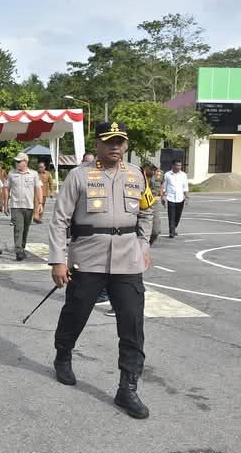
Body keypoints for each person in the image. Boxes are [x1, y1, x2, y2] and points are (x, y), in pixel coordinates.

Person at [48, 121, 153, 419]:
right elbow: (59, 220)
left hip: (128, 260)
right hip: (88, 258)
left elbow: (146, 212)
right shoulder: (79, 176)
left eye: (120, 141)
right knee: (76, 313)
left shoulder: (136, 175)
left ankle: (127, 387)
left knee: (132, 324)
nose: (116, 146)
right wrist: (58, 259)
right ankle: (63, 354)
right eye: (109, 141)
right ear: (97, 144)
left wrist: (144, 245)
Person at [3, 153, 43, 261]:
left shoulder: (33, 174)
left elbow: (38, 188)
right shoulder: (11, 173)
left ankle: (22, 248)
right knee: (18, 228)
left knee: (25, 229)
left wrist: (40, 204)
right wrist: (5, 204)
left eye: (19, 161)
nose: (16, 163)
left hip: (29, 206)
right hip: (15, 205)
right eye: (16, 161)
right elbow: (6, 188)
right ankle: (18, 251)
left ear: (25, 162)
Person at [161, 159, 189, 238]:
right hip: (171, 198)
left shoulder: (183, 175)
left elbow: (185, 187)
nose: (179, 167)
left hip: (180, 198)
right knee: (171, 215)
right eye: (177, 165)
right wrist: (162, 196)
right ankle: (171, 232)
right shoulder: (167, 174)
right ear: (173, 165)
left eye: (180, 165)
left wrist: (187, 197)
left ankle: (174, 227)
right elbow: (164, 186)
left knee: (178, 216)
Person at [143, 163, 163, 245]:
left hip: (154, 203)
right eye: (151, 168)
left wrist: (162, 195)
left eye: (154, 169)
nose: (153, 171)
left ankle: (148, 244)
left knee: (156, 230)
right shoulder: (139, 175)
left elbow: (162, 184)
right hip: (141, 203)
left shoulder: (159, 175)